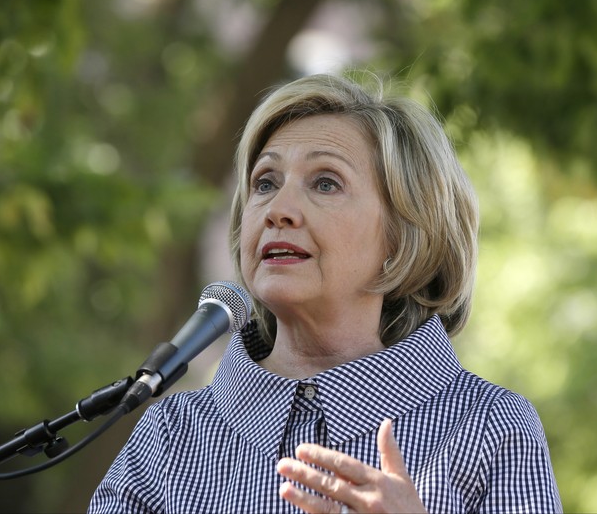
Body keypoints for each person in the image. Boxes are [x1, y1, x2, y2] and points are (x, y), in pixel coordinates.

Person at [89, 74, 561, 513]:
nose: (279, 209)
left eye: (325, 183)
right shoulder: (173, 434)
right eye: (265, 183)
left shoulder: (492, 426)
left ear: (402, 237)